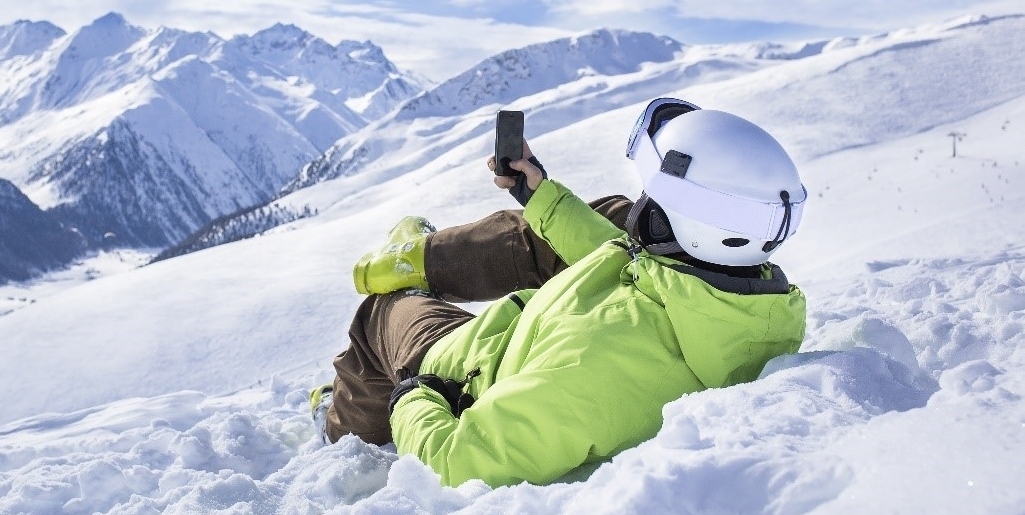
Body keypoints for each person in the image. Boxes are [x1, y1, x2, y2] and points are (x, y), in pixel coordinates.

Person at [310, 98, 809, 488]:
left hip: (465, 375)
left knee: (382, 314)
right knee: (605, 220)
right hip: (525, 338)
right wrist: (537, 193)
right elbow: (617, 253)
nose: (644, 205)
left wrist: (413, 399)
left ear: (672, 224)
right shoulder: (729, 298)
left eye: (653, 200)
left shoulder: (592, 369)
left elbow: (461, 463)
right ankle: (423, 260)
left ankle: (340, 419)